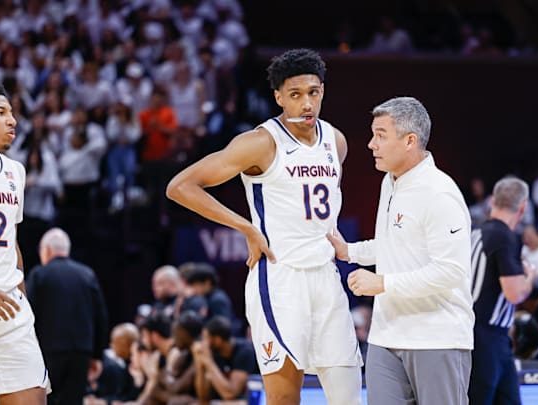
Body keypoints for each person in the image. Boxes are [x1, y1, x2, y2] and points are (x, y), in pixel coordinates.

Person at [166, 48, 362, 405]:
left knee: (349, 396)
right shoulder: (260, 143)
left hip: (326, 276)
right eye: (295, 95)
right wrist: (246, 228)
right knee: (285, 398)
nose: (306, 104)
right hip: (280, 277)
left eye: (313, 93)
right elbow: (180, 187)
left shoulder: (336, 141)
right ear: (278, 97)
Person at [327, 96, 474, 404]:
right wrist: (350, 252)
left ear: (410, 140)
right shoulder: (390, 182)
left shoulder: (440, 193)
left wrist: (382, 284)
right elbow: (398, 244)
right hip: (385, 337)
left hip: (437, 338)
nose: (370, 144)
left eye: (380, 135)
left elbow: (451, 271)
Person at [0, 79, 50, 405]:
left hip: (9, 309)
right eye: (0, 112)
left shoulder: (15, 172)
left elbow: (11, 240)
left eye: (11, 112)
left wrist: (21, 294)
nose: (13, 121)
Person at [467, 177, 535, 405]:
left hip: (477, 331)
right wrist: (529, 277)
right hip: (488, 336)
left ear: (492, 201)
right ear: (523, 207)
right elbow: (515, 294)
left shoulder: (475, 231)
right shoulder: (506, 236)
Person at [26, 227, 109, 405]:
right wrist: (97, 355)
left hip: (48, 352)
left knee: (45, 400)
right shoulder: (87, 274)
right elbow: (100, 315)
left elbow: (28, 314)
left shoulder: (39, 274)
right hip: (81, 352)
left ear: (46, 250)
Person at [192, 316, 258, 402]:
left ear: (218, 340)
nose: (203, 343)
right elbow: (203, 398)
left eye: (206, 338)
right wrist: (199, 365)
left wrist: (208, 362)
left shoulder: (245, 352)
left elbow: (230, 394)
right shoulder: (214, 353)